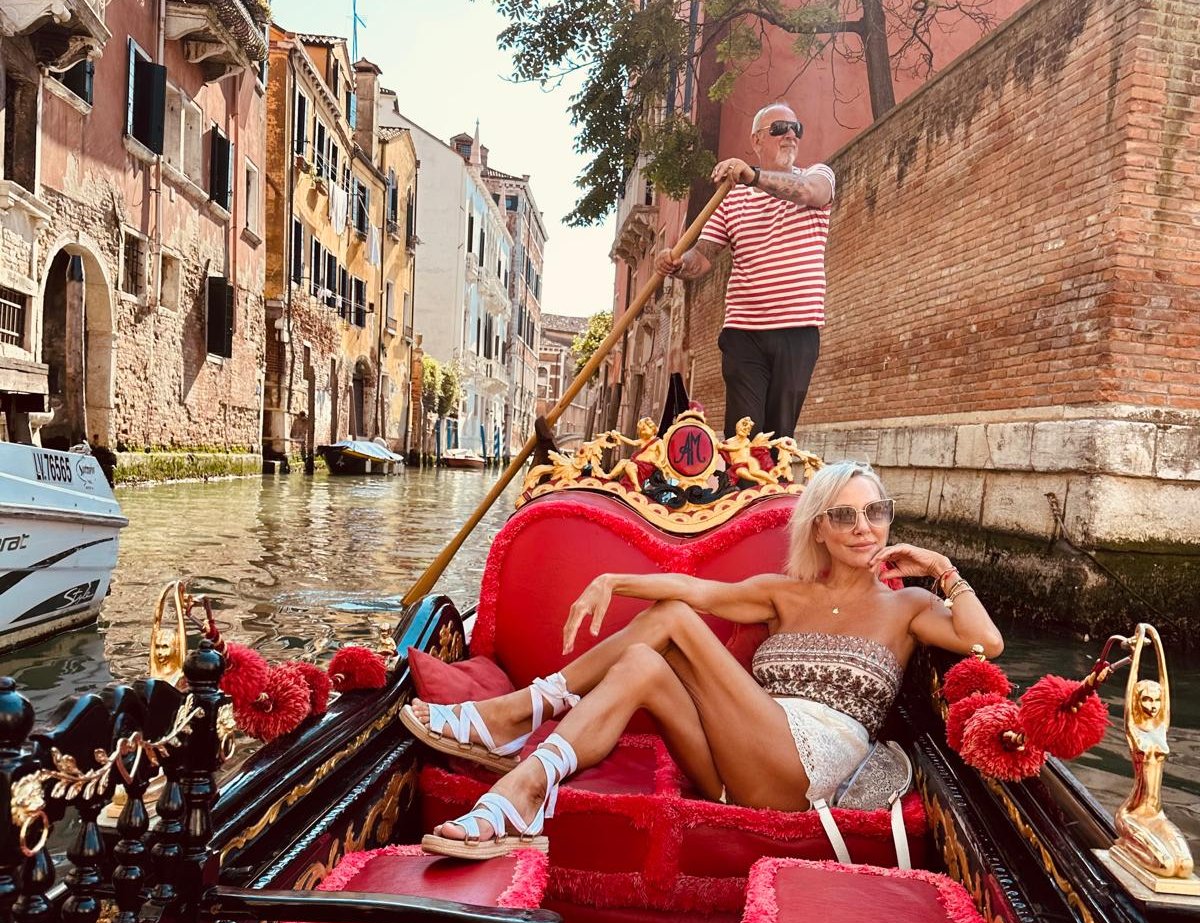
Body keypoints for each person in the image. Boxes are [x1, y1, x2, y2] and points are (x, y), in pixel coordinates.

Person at [402, 461, 1004, 859]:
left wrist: (943, 570)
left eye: (875, 512)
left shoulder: (910, 608)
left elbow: (987, 644)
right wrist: (615, 577)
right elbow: (694, 591)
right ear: (819, 529)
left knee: (671, 623)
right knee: (644, 662)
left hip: (811, 771)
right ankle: (528, 785)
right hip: (734, 767)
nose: (862, 527)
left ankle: (519, 713)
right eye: (843, 515)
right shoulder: (783, 594)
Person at [653, 102, 834, 439]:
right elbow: (704, 256)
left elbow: (812, 193)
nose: (790, 135)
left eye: (797, 129)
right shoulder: (732, 199)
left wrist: (753, 176)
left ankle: (772, 490)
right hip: (744, 333)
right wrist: (678, 264)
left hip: (797, 331)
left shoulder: (818, 177)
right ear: (756, 140)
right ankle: (743, 490)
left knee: (780, 440)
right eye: (779, 128)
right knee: (742, 438)